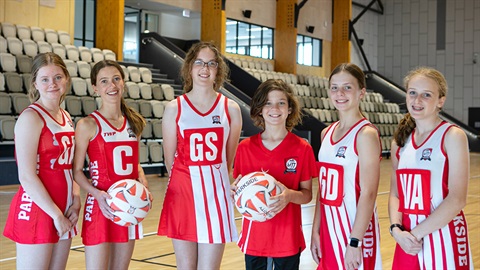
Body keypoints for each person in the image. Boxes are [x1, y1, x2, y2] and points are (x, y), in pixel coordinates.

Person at [157, 41, 242, 269]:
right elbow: (170, 160)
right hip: (183, 196)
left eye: (211, 64)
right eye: (199, 63)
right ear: (190, 68)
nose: (205, 69)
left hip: (217, 198)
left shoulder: (230, 109)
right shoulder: (174, 108)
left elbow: (228, 159)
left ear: (218, 70)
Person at [388, 67, 473, 269]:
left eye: (427, 95)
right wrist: (396, 230)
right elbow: (395, 194)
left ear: (440, 101)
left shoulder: (452, 136)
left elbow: (457, 199)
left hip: (442, 237)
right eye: (412, 93)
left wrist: (413, 236)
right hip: (407, 239)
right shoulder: (399, 142)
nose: (417, 100)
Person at [3, 52, 80, 269]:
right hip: (39, 208)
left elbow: (70, 166)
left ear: (66, 78)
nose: (52, 84)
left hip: (64, 208)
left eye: (57, 77)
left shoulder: (66, 117)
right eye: (45, 79)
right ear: (35, 83)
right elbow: (26, 176)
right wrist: (56, 215)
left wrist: (76, 199)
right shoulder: (31, 118)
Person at [231, 79, 317, 270]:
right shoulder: (245, 148)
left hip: (287, 239)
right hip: (255, 239)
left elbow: (307, 195)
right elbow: (240, 189)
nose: (274, 108)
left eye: (281, 103)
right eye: (268, 103)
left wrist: (289, 196)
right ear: (260, 109)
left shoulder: (302, 148)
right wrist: (234, 192)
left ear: (289, 109)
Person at [73, 60, 148, 270]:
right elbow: (76, 171)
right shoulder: (87, 124)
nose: (112, 86)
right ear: (95, 88)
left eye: (116, 79)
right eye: (104, 81)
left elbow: (136, 164)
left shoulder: (134, 122)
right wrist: (96, 194)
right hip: (101, 206)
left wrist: (143, 184)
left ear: (123, 82)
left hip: (128, 205)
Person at [311, 63, 382, 270]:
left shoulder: (366, 134)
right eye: (334, 87)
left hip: (355, 231)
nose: (339, 93)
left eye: (347, 87)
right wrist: (316, 230)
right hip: (329, 228)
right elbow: (323, 189)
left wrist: (355, 241)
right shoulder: (326, 133)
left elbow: (369, 193)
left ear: (361, 92)